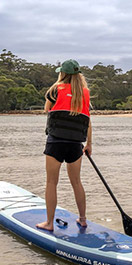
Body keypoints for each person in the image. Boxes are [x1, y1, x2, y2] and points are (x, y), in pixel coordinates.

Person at [37, 59, 93, 231]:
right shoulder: (84, 93)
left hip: (56, 142)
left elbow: (47, 110)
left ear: (63, 74)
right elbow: (87, 121)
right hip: (76, 144)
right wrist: (89, 144)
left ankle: (49, 223)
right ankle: (83, 219)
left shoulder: (54, 90)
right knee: (76, 182)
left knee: (51, 182)